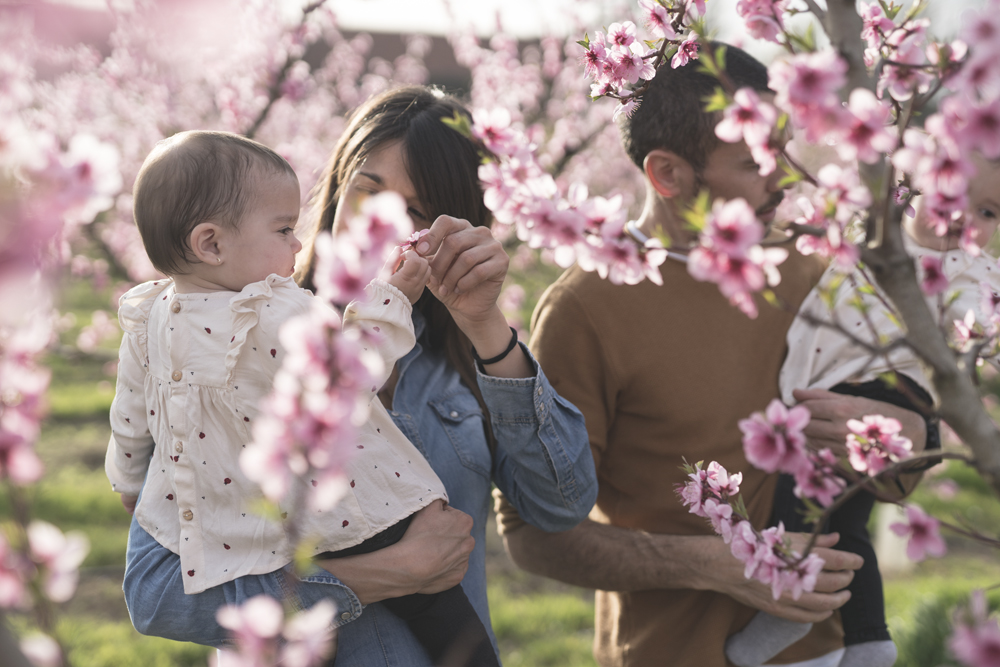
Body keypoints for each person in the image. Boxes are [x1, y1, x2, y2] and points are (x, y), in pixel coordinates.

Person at [118, 88, 598, 666]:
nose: (382, 220)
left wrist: (486, 326)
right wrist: (378, 575)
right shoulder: (233, 343)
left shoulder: (465, 361)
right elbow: (155, 596)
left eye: (416, 212)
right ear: (338, 187)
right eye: (367, 190)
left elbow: (561, 504)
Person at [495, 44, 931, 667]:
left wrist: (913, 430)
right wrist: (714, 566)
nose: (785, 176)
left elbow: (904, 428)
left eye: (783, 149)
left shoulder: (813, 272)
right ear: (668, 175)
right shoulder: (584, 311)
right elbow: (534, 536)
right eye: (755, 160)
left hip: (836, 650)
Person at [726, 151, 1000, 667]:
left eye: (988, 213)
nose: (966, 218)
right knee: (845, 522)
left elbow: (986, 324)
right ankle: (869, 639)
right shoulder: (873, 236)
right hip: (836, 386)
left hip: (888, 395)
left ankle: (798, 605)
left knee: (808, 505)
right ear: (913, 187)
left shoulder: (970, 272)